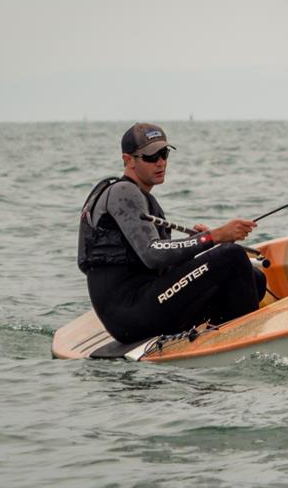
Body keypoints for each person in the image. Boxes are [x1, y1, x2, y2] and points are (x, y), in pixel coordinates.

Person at [77, 122, 266, 343]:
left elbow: (160, 265)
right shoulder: (123, 191)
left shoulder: (144, 199)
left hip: (148, 302)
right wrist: (213, 237)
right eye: (150, 157)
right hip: (130, 313)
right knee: (231, 256)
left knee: (254, 278)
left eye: (164, 154)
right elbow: (153, 254)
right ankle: (244, 344)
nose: (161, 162)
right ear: (128, 160)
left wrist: (199, 242)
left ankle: (216, 338)